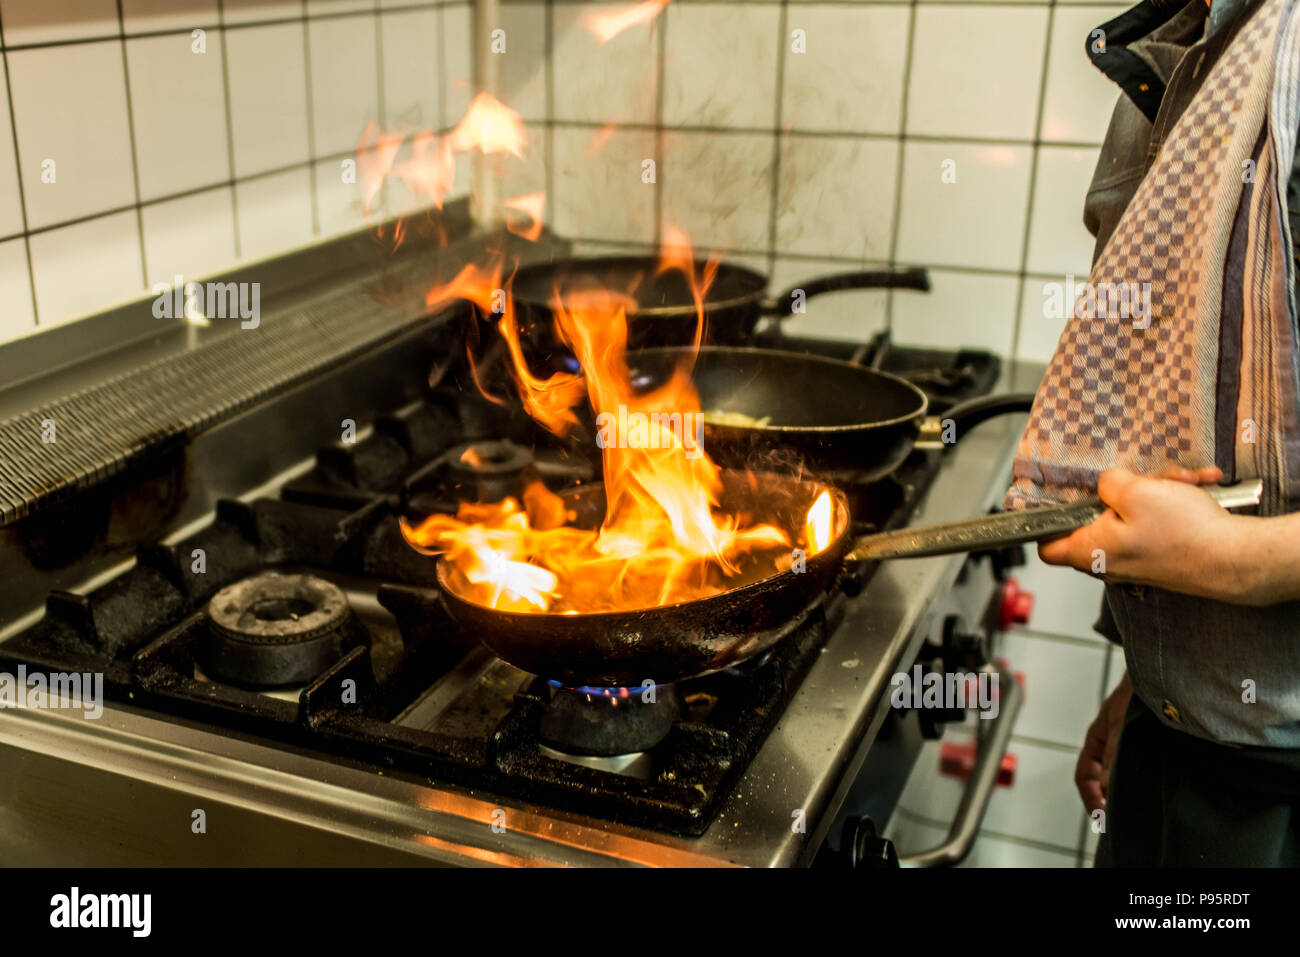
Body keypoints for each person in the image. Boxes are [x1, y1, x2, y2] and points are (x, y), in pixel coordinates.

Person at [1013, 0, 1300, 865]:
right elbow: (1191, 397)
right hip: (1177, 735)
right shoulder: (1196, 46)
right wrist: (1152, 683)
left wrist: (1234, 563)